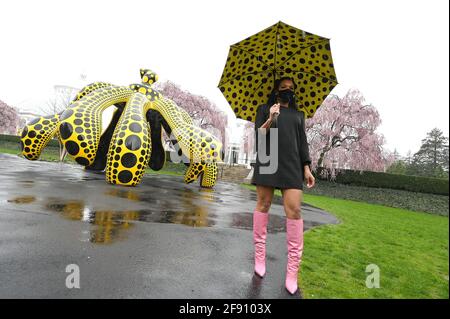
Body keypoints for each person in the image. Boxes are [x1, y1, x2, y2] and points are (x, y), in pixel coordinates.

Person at [250, 77, 315, 295]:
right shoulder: (264, 109)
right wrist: (270, 118)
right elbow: (259, 138)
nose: (288, 91)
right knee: (263, 205)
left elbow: (302, 142)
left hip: (291, 165)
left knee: (294, 210)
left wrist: (306, 167)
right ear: (276, 91)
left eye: (291, 89)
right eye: (283, 88)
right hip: (268, 160)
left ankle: (292, 272)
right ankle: (260, 258)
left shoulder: (298, 115)